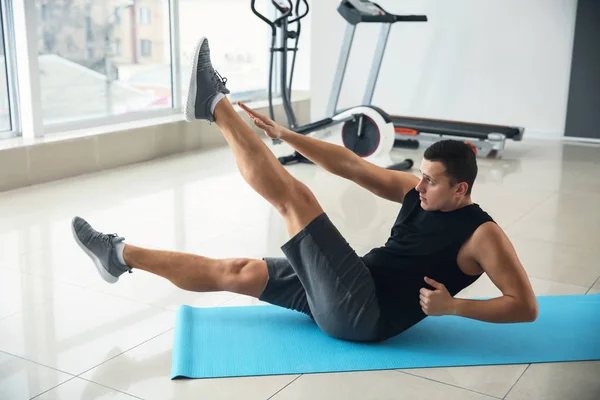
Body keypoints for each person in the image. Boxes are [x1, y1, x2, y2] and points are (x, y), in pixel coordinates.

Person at [71, 38, 538, 343]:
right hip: (351, 284)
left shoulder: (482, 236)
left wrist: (453, 306)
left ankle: (213, 104)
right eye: (420, 174)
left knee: (296, 201)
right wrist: (286, 135)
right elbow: (353, 167)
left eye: (430, 181)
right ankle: (119, 255)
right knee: (237, 270)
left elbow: (525, 307)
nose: (418, 185)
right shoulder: (418, 194)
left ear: (461, 190)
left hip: (364, 314)